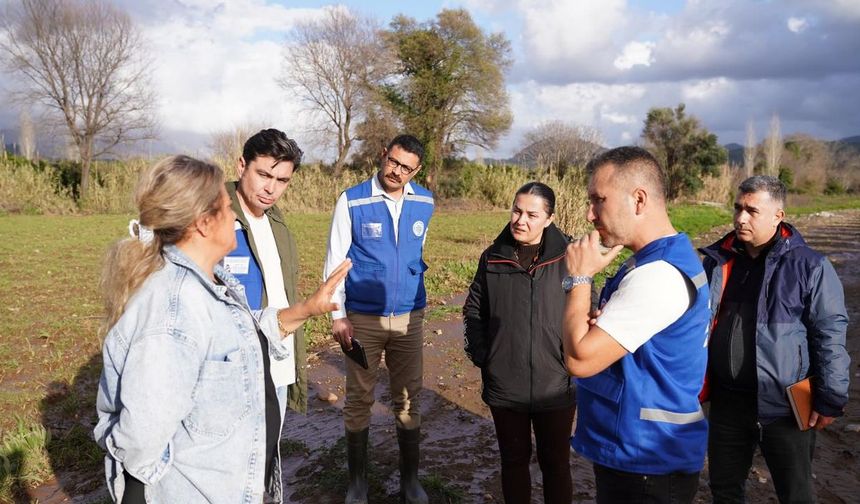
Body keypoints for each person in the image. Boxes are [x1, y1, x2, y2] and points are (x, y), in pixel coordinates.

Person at [94, 155, 350, 503]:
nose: (234, 216)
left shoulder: (214, 282)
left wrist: (306, 309)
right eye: (227, 207)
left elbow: (236, 335)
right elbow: (140, 441)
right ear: (203, 223)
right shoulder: (174, 309)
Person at [561, 146, 710, 503]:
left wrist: (579, 279)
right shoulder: (656, 261)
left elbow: (580, 359)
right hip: (639, 452)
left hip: (647, 462)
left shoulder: (658, 275)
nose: (589, 214)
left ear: (638, 200)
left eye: (599, 200)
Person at [701, 175, 849, 504]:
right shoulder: (718, 261)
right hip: (727, 404)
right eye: (737, 208)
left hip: (784, 406)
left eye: (752, 211)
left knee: (794, 494)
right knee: (724, 490)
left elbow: (830, 335)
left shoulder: (810, 266)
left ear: (778, 216)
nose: (740, 218)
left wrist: (831, 398)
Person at [322, 134, 433, 504]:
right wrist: (338, 316)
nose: (396, 171)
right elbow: (335, 261)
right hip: (362, 321)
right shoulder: (353, 200)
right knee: (358, 398)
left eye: (406, 167)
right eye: (393, 162)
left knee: (408, 398)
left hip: (409, 320)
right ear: (383, 155)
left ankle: (410, 481)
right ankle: (357, 483)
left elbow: (417, 252)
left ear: (416, 171)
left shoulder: (425, 202)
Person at [463, 182, 575, 504]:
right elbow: (474, 309)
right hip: (505, 385)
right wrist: (485, 355)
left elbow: (585, 311)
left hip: (555, 384)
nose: (520, 220)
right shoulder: (493, 257)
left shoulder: (570, 257)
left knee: (556, 465)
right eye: (516, 210)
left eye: (531, 214)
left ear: (549, 218)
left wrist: (568, 358)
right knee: (512, 462)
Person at [222, 128, 306, 417]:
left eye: (282, 180)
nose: (271, 189)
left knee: (269, 457)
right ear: (242, 165)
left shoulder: (276, 222)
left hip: (278, 363)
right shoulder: (213, 219)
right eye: (264, 175)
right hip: (232, 373)